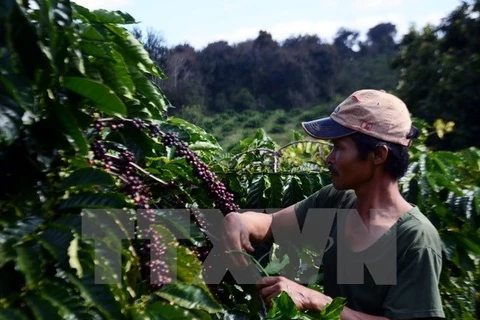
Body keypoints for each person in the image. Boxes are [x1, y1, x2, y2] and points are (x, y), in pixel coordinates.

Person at [222, 89, 445, 319]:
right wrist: (240, 220)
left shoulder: (415, 238)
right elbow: (271, 223)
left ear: (378, 155)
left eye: (339, 148)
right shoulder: (337, 200)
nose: (328, 158)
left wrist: (317, 300)